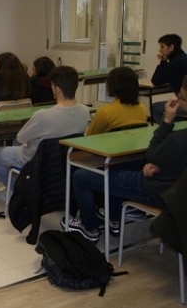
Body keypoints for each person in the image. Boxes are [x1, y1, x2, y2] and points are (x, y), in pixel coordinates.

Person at [67, 75, 187, 243]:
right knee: (117, 171)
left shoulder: (105, 112)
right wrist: (160, 165)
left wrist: (167, 121)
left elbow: (151, 154)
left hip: (158, 192)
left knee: (81, 177)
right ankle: (114, 218)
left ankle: (90, 228)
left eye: (181, 97)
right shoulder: (142, 110)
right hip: (175, 191)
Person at [0, 66, 90, 187]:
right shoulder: (85, 111)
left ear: (57, 90)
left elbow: (21, 138)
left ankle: (15, 189)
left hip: (36, 160)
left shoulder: (43, 115)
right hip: (63, 160)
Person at [85, 66, 148, 135]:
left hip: (107, 145)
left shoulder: (104, 112)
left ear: (112, 85)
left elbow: (89, 137)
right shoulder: (143, 109)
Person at [150, 34, 187, 123]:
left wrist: (163, 62)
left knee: (155, 107)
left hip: (185, 102)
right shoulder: (184, 58)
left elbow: (156, 81)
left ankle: (166, 132)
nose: (160, 49)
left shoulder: (174, 64)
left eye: (162, 46)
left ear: (171, 47)